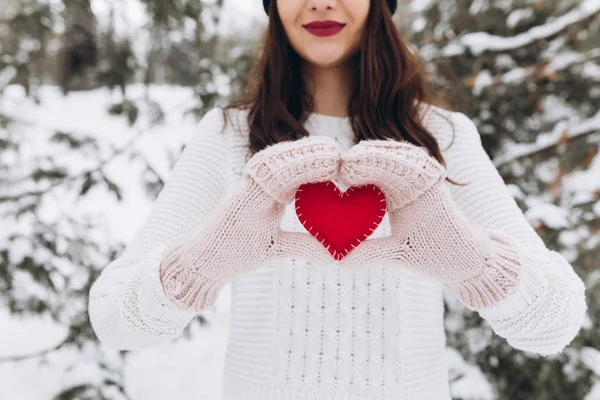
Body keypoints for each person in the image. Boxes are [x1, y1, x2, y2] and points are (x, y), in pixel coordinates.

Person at [88, 0, 588, 399]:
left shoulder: (442, 136)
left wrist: (475, 261)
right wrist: (198, 262)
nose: (321, 3)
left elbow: (555, 325)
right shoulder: (229, 135)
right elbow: (115, 320)